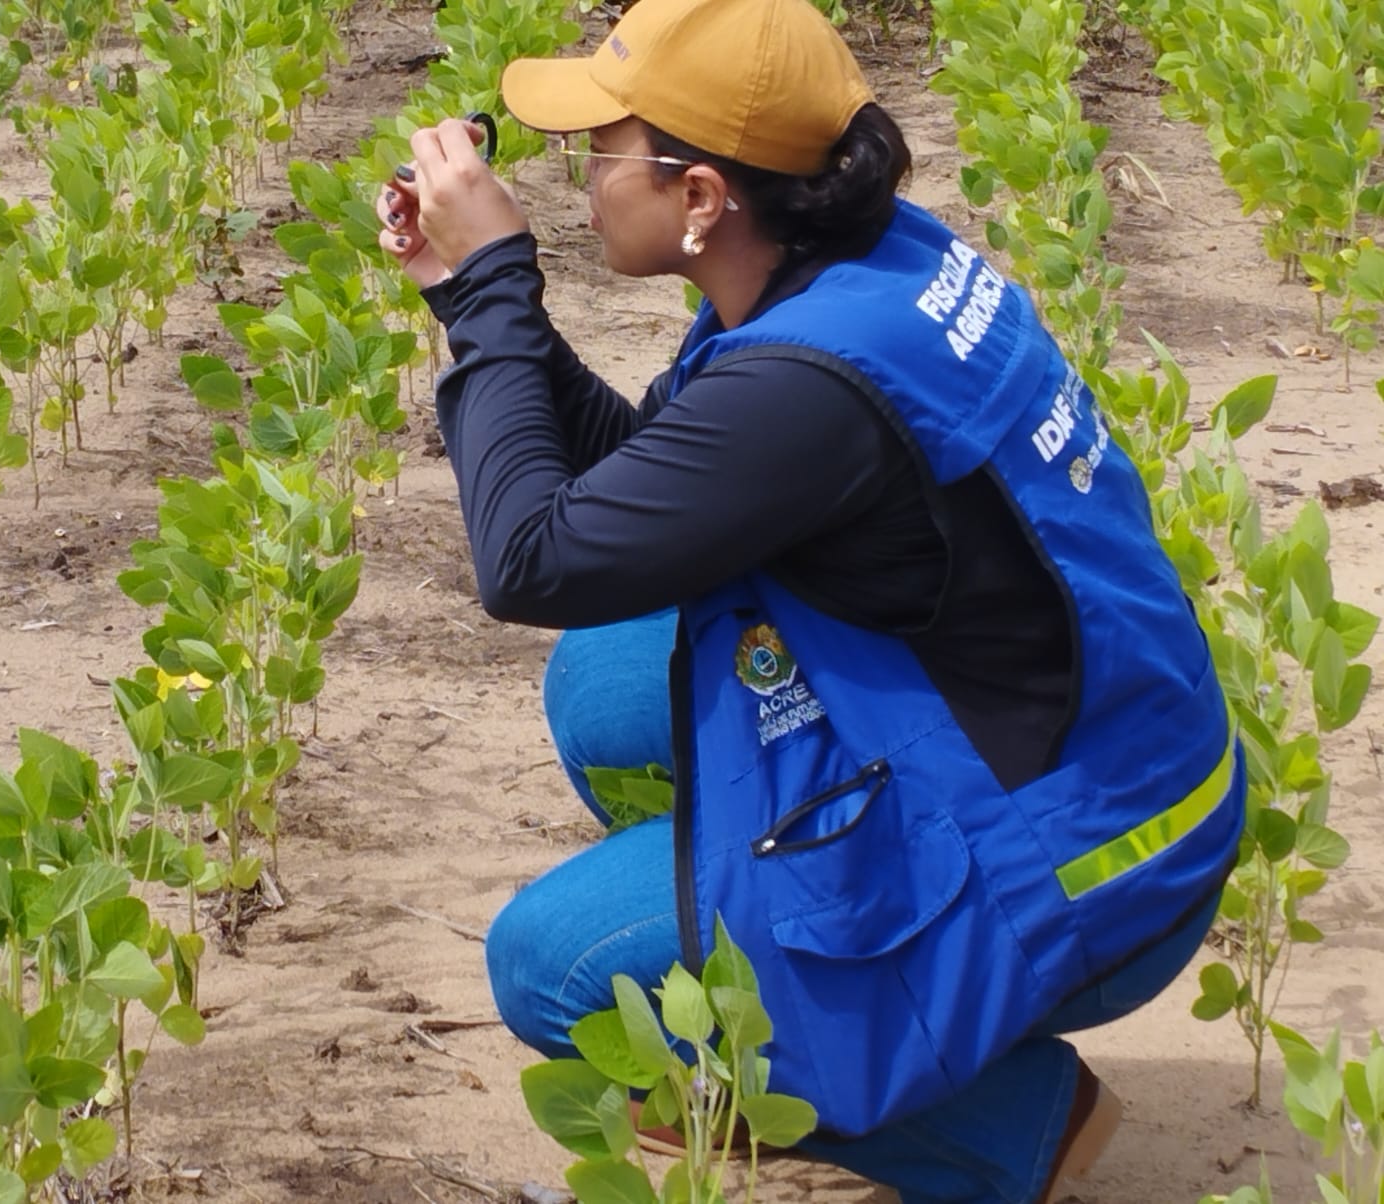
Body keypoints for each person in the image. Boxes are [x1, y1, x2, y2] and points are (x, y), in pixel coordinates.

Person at [373, 0, 1246, 1198]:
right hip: (1108, 755)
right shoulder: (864, 264)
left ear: (699, 199)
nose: (575, 179)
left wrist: (492, 289)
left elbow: (532, 559)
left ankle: (1003, 1121)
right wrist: (465, 295)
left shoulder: (808, 383)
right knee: (609, 679)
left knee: (552, 968)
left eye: (601, 150)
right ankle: (770, 952)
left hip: (1090, 866)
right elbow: (666, 487)